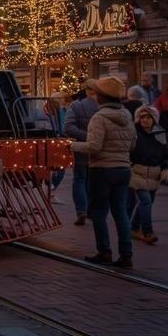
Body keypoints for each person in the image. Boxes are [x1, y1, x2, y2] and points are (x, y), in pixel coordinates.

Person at [72, 76, 134, 268]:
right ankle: (126, 254)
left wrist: (72, 146)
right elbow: (133, 144)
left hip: (102, 169)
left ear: (102, 97)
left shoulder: (99, 118)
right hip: (123, 168)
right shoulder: (127, 116)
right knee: (120, 212)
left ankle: (104, 251)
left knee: (99, 212)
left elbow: (94, 146)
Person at [129, 105, 168, 245]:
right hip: (137, 172)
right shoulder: (134, 133)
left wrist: (166, 167)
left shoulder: (161, 134)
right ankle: (148, 232)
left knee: (148, 202)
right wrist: (129, 165)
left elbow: (167, 154)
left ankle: (133, 228)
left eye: (148, 117)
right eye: (142, 117)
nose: (145, 120)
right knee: (145, 200)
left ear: (154, 119)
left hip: (154, 173)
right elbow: (127, 151)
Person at [65, 81, 100, 225]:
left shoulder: (76, 106)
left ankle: (81, 211)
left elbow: (68, 127)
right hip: (99, 150)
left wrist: (86, 137)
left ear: (86, 90)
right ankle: (92, 210)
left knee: (79, 179)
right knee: (94, 181)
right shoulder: (104, 107)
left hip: (81, 148)